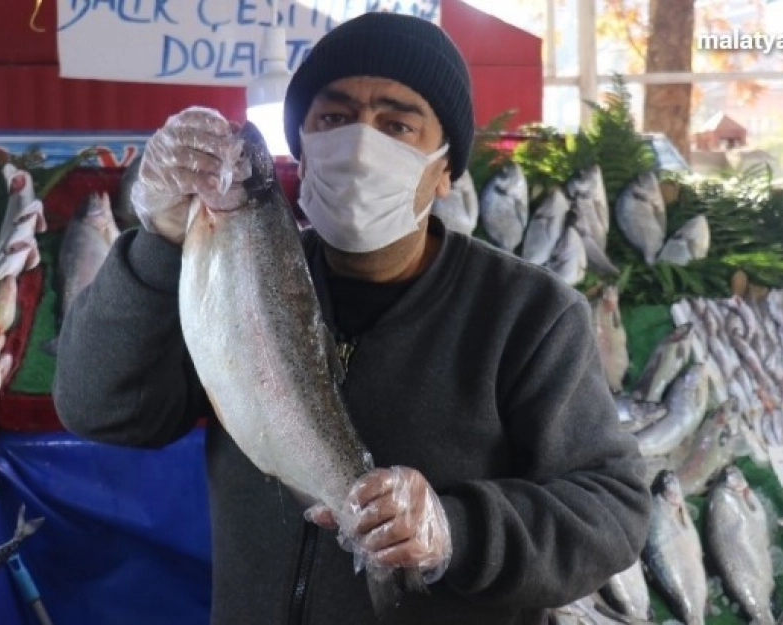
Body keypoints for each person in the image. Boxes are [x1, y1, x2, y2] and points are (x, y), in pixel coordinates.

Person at [53, 11, 651, 625]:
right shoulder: (235, 278)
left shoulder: (530, 315)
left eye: (397, 124)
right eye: (333, 118)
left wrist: (457, 530)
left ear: (445, 169)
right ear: (303, 148)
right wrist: (162, 243)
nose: (361, 144)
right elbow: (99, 408)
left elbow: (613, 509)